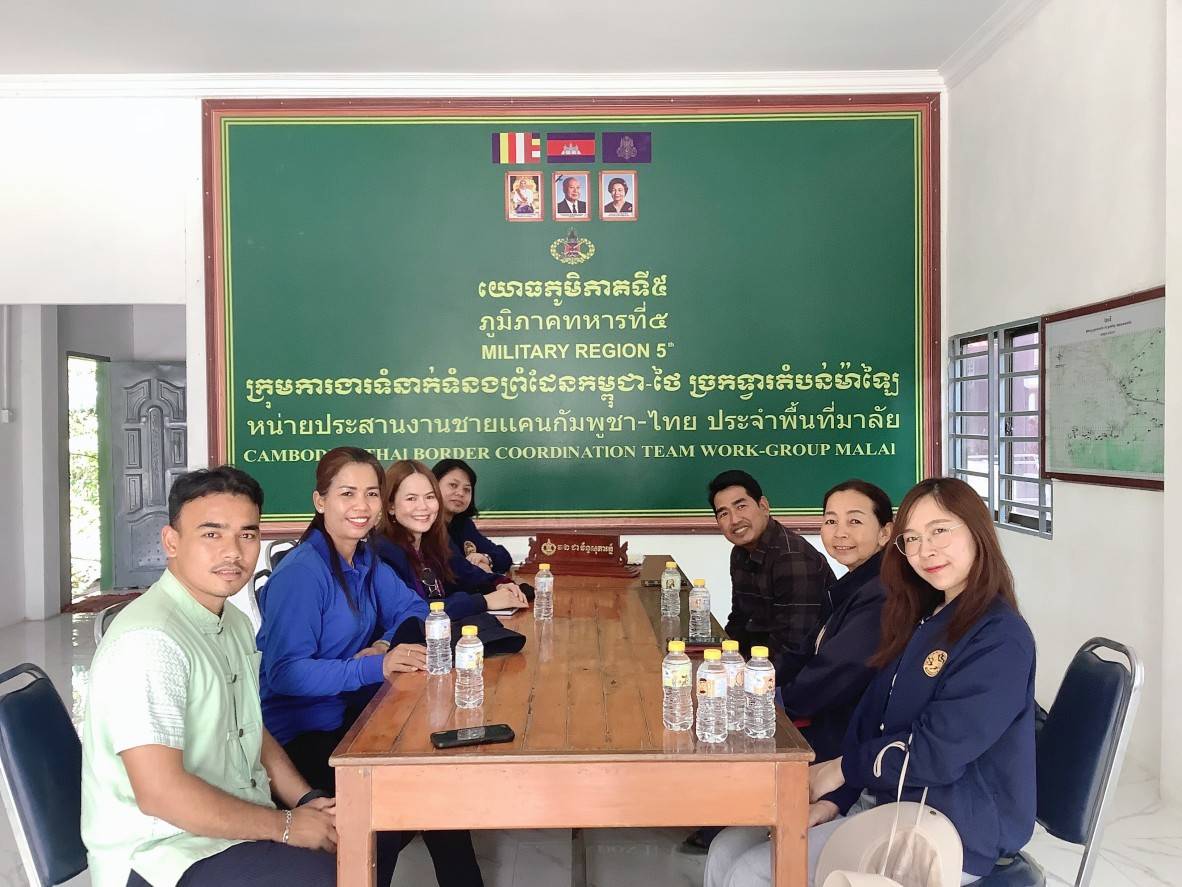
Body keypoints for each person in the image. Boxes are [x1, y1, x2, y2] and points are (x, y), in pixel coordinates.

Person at [705, 477, 1037, 887]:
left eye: (939, 531)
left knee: (755, 871)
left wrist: (841, 771)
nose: (925, 550)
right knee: (727, 848)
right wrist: (837, 799)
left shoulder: (999, 638)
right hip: (883, 797)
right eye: (912, 538)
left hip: (949, 827)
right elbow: (871, 720)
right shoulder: (922, 617)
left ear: (977, 531)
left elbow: (936, 753)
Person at [81, 466, 338, 887]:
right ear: (171, 541)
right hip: (161, 853)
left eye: (247, 534)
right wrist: (287, 826)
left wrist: (307, 801)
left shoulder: (232, 621)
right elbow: (160, 793)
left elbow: (250, 728)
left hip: (228, 828)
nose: (232, 552)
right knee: (330, 875)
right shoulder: (151, 641)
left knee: (358, 839)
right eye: (212, 534)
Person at [257, 447, 485, 887]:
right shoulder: (303, 572)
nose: (361, 506)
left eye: (371, 494)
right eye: (347, 494)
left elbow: (414, 607)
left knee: (435, 788)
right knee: (390, 812)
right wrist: (373, 667)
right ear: (320, 501)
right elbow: (284, 674)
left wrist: (382, 642)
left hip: (352, 715)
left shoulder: (364, 559)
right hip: (300, 737)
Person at [709, 469, 835, 659]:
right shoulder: (740, 553)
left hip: (802, 668)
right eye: (723, 514)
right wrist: (720, 659)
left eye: (741, 506)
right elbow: (740, 620)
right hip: (760, 661)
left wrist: (744, 673)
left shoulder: (792, 558)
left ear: (763, 506)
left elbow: (793, 649)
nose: (734, 520)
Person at [377, 459, 527, 616]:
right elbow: (413, 610)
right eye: (411, 498)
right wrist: (484, 601)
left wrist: (499, 584)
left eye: (429, 497)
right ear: (390, 506)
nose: (423, 506)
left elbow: (467, 574)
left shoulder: (434, 541)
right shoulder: (382, 551)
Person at [433, 458, 514, 574]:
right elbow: (455, 571)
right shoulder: (426, 526)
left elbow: (504, 557)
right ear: (433, 485)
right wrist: (479, 570)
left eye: (467, 489)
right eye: (453, 485)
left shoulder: (464, 525)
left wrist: (486, 559)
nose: (460, 493)